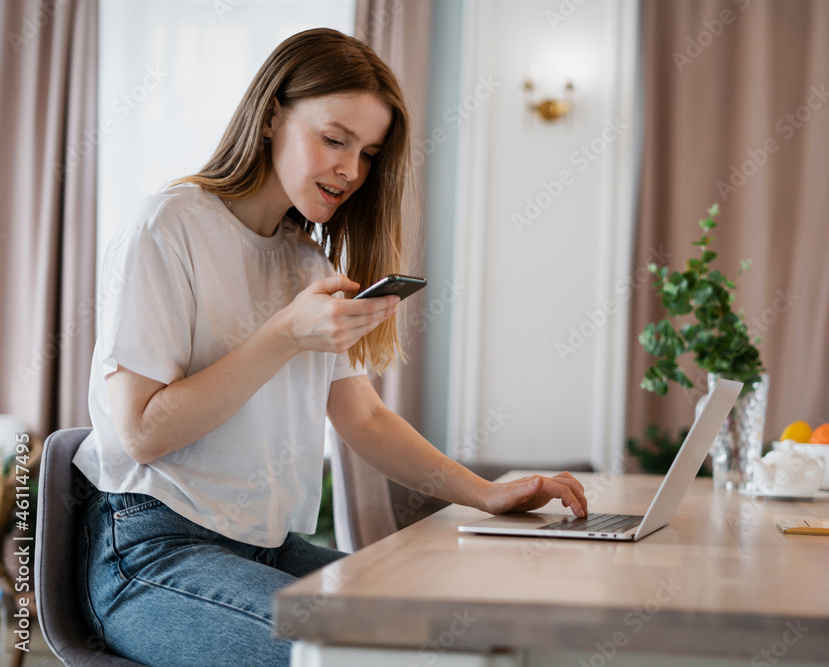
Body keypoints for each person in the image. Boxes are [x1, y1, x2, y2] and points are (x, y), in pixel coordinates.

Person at [72, 27, 588, 667]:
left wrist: (483, 494)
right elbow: (141, 433)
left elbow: (363, 418)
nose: (351, 170)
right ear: (269, 118)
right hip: (151, 551)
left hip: (264, 548)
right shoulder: (166, 227)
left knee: (456, 633)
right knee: (357, 655)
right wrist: (284, 334)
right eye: (334, 139)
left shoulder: (307, 264)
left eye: (369, 153)